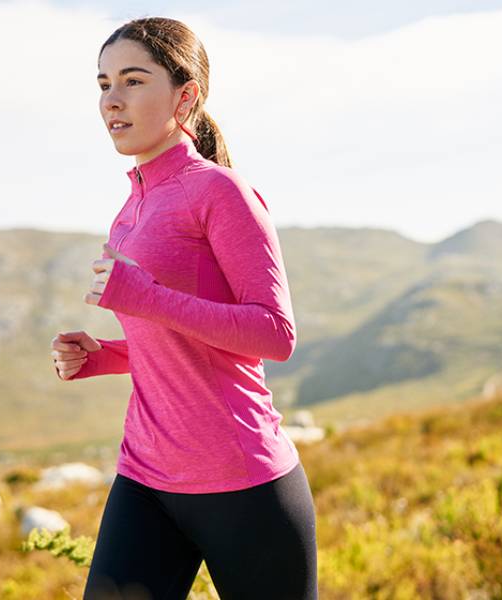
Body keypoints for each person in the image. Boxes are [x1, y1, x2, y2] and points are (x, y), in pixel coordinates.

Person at [49, 16, 318, 600]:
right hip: (145, 474)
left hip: (241, 479)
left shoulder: (220, 192)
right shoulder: (130, 209)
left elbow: (274, 334)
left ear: (186, 94)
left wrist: (146, 297)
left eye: (133, 81)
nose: (111, 101)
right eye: (102, 84)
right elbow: (172, 343)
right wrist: (105, 357)